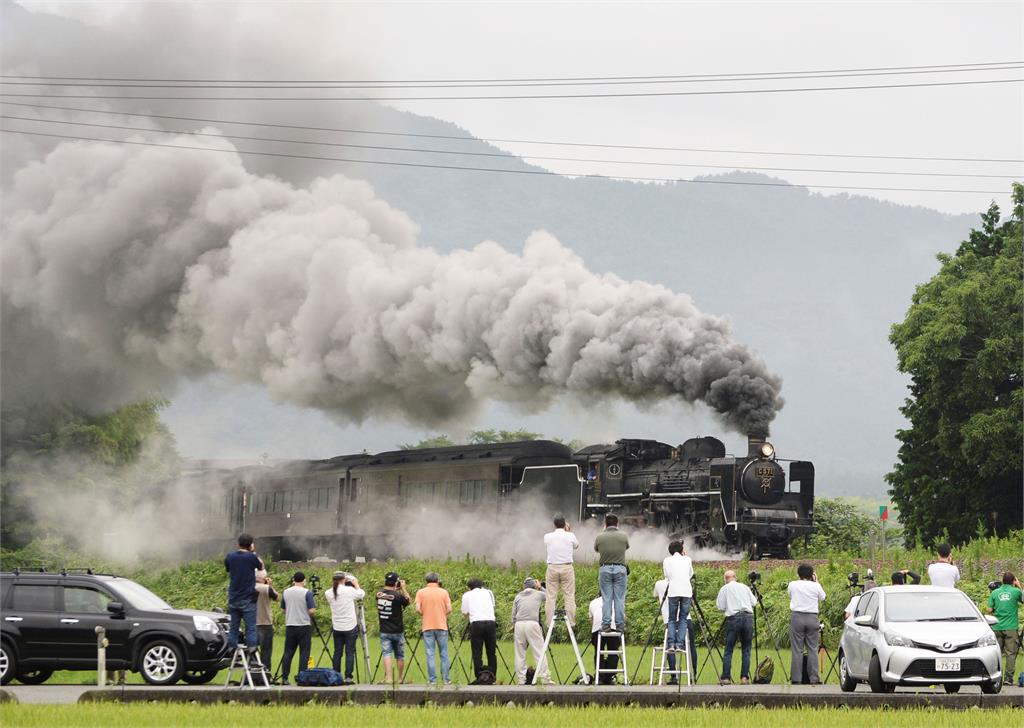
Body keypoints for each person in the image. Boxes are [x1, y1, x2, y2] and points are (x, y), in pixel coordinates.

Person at [224, 533, 265, 655]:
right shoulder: (251, 557)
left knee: (234, 627)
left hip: (234, 597)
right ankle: (252, 647)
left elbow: (227, 569)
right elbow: (261, 567)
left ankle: (231, 647)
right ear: (251, 545)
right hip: (248, 598)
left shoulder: (230, 556)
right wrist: (253, 552)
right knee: (251, 627)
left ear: (238, 543)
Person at [715, 570, 756, 685]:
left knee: (729, 649)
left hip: (734, 618)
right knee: (746, 649)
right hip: (748, 617)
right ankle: (744, 678)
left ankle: (726, 678)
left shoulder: (724, 589)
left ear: (725, 579)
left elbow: (720, 606)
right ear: (735, 577)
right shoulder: (744, 587)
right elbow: (754, 602)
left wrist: (730, 605)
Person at [787, 563, 826, 685]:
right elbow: (823, 597)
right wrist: (816, 581)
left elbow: (790, 595)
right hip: (812, 617)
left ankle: (796, 679)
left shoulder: (792, 584)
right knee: (813, 649)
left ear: (798, 574)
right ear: (812, 574)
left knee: (797, 649)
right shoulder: (816, 586)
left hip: (797, 617)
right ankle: (814, 678)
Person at [324, 571, 365, 684]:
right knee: (349, 652)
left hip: (337, 627)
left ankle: (336, 675)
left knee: (337, 652)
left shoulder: (328, 593)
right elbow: (361, 594)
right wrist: (356, 584)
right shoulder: (349, 590)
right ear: (344, 579)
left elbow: (335, 591)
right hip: (350, 626)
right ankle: (348, 677)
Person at [654, 577, 695, 685]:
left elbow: (654, 595)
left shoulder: (659, 584)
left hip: (669, 620)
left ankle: (674, 676)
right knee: (691, 648)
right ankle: (693, 675)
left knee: (670, 647)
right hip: (686, 619)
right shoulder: (684, 583)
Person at [512, 577, 552, 684]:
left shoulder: (518, 596)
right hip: (532, 623)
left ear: (524, 586)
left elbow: (513, 616)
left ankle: (521, 679)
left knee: (520, 654)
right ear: (534, 585)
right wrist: (541, 587)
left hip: (519, 624)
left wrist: (514, 625)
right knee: (539, 652)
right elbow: (550, 596)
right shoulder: (538, 594)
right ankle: (544, 678)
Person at [985, 572, 1023, 686]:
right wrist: (1019, 586)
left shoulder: (995, 592)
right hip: (1011, 627)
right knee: (1011, 653)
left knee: (996, 653)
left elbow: (989, 609)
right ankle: (1008, 678)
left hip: (996, 626)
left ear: (1002, 581)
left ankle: (996, 678)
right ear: (1013, 581)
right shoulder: (1016, 592)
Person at [594, 513, 629, 633]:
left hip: (605, 569)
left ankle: (606, 625)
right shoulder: (624, 536)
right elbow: (626, 547)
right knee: (619, 599)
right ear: (617, 524)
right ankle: (620, 625)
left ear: (605, 524)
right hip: (620, 569)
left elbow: (596, 549)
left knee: (606, 599)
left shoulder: (600, 537)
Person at [415, 572, 452, 685]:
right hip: (441, 626)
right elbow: (449, 609)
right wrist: (442, 614)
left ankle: (432, 680)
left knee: (430, 653)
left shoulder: (420, 592)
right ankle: (446, 679)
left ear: (426, 581)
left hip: (427, 626)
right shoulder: (444, 592)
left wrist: (424, 614)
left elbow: (417, 609)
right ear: (437, 580)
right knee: (444, 653)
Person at [279, 571, 316, 685]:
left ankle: (285, 678)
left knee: (288, 652)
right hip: (303, 625)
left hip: (290, 624)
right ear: (304, 580)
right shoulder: (307, 593)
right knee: (304, 653)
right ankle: (301, 677)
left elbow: (283, 610)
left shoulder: (286, 592)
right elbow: (312, 610)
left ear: (293, 580)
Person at [543, 516, 579, 628]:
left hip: (552, 567)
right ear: (564, 525)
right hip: (567, 567)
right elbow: (576, 545)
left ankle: (549, 623)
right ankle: (571, 622)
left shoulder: (547, 536)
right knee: (569, 596)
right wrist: (568, 532)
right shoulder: (570, 535)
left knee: (550, 596)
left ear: (554, 525)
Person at [460, 578, 498, 683]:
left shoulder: (467, 595)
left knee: (477, 651)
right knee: (491, 651)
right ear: (481, 585)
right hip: (490, 622)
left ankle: (479, 676)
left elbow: (464, 612)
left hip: (476, 623)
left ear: (469, 587)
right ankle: (493, 676)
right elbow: (493, 606)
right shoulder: (489, 592)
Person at [376, 572, 411, 684]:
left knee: (387, 654)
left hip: (384, 629)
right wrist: (403, 588)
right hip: (397, 630)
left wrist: (396, 588)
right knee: (400, 655)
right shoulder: (398, 596)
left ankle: (389, 678)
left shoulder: (378, 594)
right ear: (396, 582)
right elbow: (408, 601)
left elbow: (387, 595)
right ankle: (400, 678)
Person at [662, 540, 693, 653]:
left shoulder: (667, 560)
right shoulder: (688, 559)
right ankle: (680, 644)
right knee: (683, 618)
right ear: (681, 550)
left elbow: (666, 576)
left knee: (671, 618)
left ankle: (671, 644)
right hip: (686, 592)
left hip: (673, 591)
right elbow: (691, 574)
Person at [589, 594, 619, 685]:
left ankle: (600, 677)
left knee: (598, 651)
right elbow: (622, 618)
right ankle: (610, 677)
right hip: (613, 629)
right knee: (613, 651)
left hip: (597, 630)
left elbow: (591, 620)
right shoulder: (617, 601)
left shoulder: (593, 602)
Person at [254, 570, 278, 671]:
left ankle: (253, 672)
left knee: (252, 650)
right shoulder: (266, 588)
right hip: (266, 622)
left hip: (252, 622)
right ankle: (266, 672)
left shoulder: (248, 587)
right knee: (266, 651)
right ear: (263, 578)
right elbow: (277, 598)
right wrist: (269, 585)